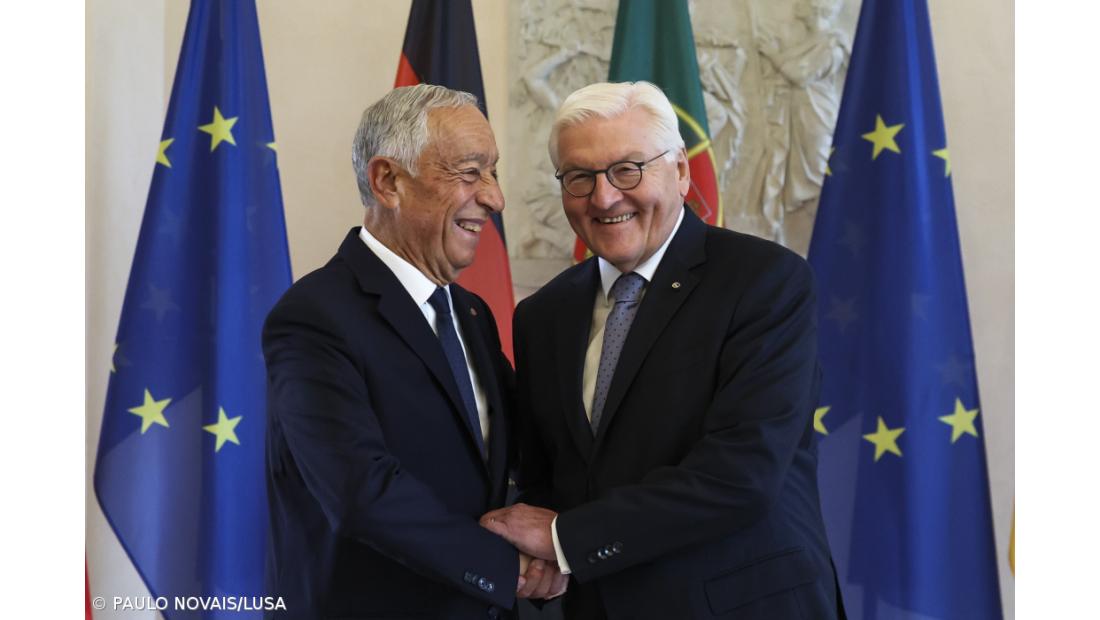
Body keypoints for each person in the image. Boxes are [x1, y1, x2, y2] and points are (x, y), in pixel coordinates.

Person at [481, 81, 844, 619]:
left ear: (680, 171)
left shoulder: (764, 281)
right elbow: (546, 475)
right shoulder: (543, 315)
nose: (604, 197)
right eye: (579, 177)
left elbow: (741, 474)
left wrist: (566, 539)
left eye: (628, 169)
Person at [263, 84, 565, 619]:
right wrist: (507, 569)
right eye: (470, 173)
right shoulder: (315, 316)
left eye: (493, 173)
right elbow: (361, 490)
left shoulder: (470, 313)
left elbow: (518, 453)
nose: (494, 198)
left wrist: (570, 537)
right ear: (388, 181)